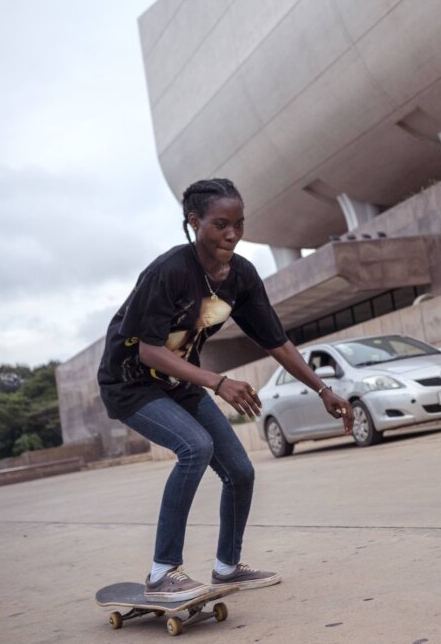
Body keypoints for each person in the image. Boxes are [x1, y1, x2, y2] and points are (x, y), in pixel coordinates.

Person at [97, 178, 353, 602]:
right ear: (194, 222)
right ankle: (162, 573)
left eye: (238, 224)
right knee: (195, 447)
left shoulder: (241, 277)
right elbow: (148, 350)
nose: (232, 234)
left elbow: (277, 341)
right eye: (220, 225)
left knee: (240, 471)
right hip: (130, 383)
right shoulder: (170, 271)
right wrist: (218, 382)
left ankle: (227, 567)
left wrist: (323, 389)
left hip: (180, 383)